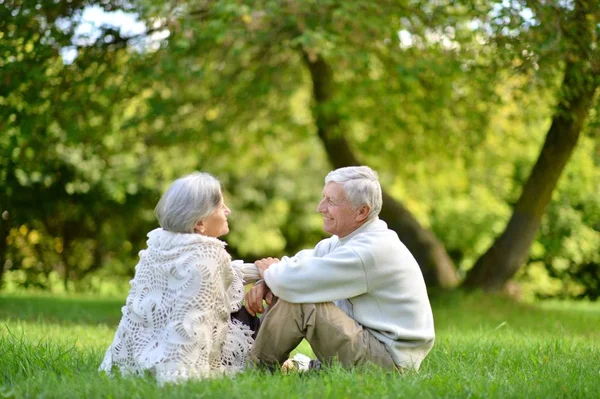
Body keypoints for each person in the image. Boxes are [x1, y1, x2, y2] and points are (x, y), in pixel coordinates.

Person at [245, 166, 435, 372]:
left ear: (362, 211)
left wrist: (274, 277)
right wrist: (267, 281)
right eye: (323, 198)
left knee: (301, 302)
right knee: (290, 288)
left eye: (331, 201)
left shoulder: (369, 250)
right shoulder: (344, 242)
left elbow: (291, 280)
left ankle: (254, 370)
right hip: (372, 346)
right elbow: (297, 267)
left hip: (391, 363)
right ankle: (251, 355)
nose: (320, 207)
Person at [99, 172, 259, 385]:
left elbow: (229, 273)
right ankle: (287, 364)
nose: (227, 210)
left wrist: (260, 270)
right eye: (221, 206)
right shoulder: (209, 255)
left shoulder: (161, 243)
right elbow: (194, 320)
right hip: (182, 362)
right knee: (258, 314)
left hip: (138, 355)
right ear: (200, 223)